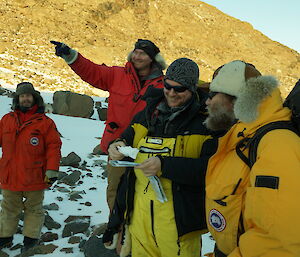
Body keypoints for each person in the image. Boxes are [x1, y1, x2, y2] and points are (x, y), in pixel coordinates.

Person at [104, 58, 218, 257]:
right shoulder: (147, 113)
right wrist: (118, 144)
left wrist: (165, 166)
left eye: (179, 89)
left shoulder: (207, 122)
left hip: (179, 226)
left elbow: (211, 170)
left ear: (192, 88)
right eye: (168, 86)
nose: (171, 93)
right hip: (139, 221)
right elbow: (127, 139)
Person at [50, 39, 166, 211]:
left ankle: (139, 231)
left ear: (152, 58)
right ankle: (115, 227)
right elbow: (92, 71)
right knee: (115, 190)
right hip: (117, 147)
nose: (137, 56)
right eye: (135, 52)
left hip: (146, 148)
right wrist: (71, 56)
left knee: (145, 191)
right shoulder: (117, 75)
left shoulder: (163, 85)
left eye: (142, 53)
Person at [204, 60, 300, 256]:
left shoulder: (278, 145)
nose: (207, 101)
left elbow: (275, 242)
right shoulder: (243, 132)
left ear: (235, 99)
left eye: (212, 95)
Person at [0, 82, 62, 251]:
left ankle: (30, 240)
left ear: (35, 98)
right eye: (22, 96)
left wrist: (52, 170)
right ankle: (5, 237)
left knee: (34, 209)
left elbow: (53, 147)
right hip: (10, 175)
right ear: (17, 99)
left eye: (28, 96)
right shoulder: (7, 120)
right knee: (8, 208)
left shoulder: (45, 123)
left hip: (35, 175)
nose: (25, 99)